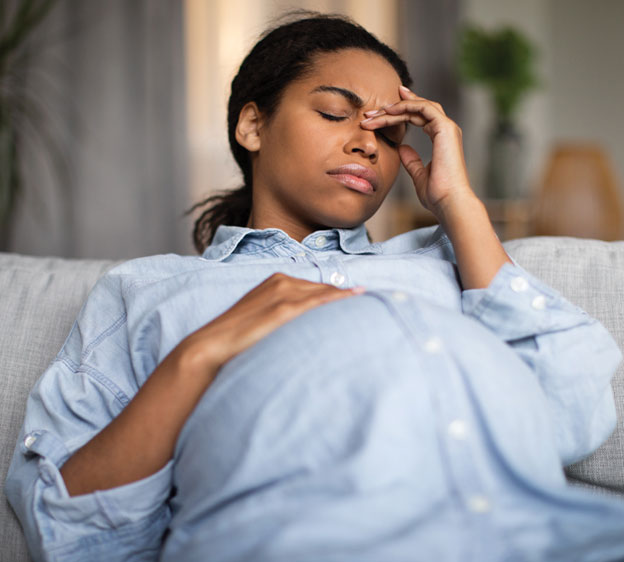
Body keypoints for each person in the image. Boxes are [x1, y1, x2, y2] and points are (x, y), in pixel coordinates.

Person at [6, 12, 624, 562]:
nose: (366, 143)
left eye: (388, 135)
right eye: (333, 113)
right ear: (253, 125)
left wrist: (458, 203)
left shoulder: (448, 262)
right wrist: (202, 354)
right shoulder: (148, 290)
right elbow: (70, 532)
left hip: (535, 533)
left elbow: (577, 406)